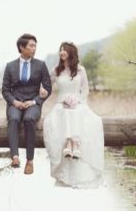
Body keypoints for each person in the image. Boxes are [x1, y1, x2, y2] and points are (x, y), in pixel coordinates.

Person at [42, 42, 104, 188]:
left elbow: (85, 90)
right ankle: (72, 145)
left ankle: (73, 145)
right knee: (64, 112)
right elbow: (46, 86)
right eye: (60, 50)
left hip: (78, 103)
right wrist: (43, 91)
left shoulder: (81, 70)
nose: (62, 52)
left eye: (64, 50)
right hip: (60, 104)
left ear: (71, 53)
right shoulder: (56, 70)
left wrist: (78, 101)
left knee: (77, 113)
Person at [2, 33, 52, 174]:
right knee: (14, 119)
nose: (34, 48)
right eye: (31, 46)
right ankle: (15, 157)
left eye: (35, 46)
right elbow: (5, 90)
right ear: (21, 47)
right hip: (15, 102)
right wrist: (14, 102)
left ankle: (30, 160)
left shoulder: (41, 65)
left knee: (29, 119)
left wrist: (35, 101)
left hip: (33, 103)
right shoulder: (10, 66)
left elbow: (48, 88)